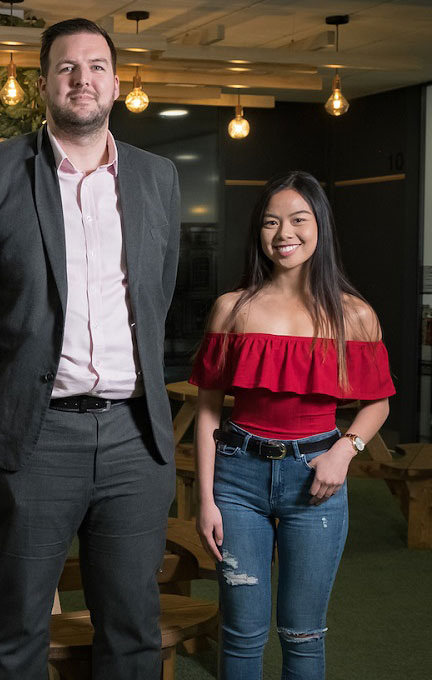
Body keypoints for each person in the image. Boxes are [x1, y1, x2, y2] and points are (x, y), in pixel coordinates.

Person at [0, 17, 181, 680]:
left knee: (133, 628)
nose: (83, 79)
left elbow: (158, 295)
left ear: (116, 81)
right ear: (43, 82)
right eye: (67, 67)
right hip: (34, 435)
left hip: (137, 437)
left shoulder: (157, 177)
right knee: (15, 624)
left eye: (96, 66)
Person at [190, 170, 394, 679]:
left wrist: (344, 450)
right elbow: (210, 408)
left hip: (316, 480)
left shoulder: (355, 315)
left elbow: (379, 403)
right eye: (271, 222)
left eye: (299, 220)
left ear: (319, 225)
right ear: (258, 232)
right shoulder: (231, 309)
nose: (285, 233)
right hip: (237, 480)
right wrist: (206, 498)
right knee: (241, 633)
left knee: (303, 634)